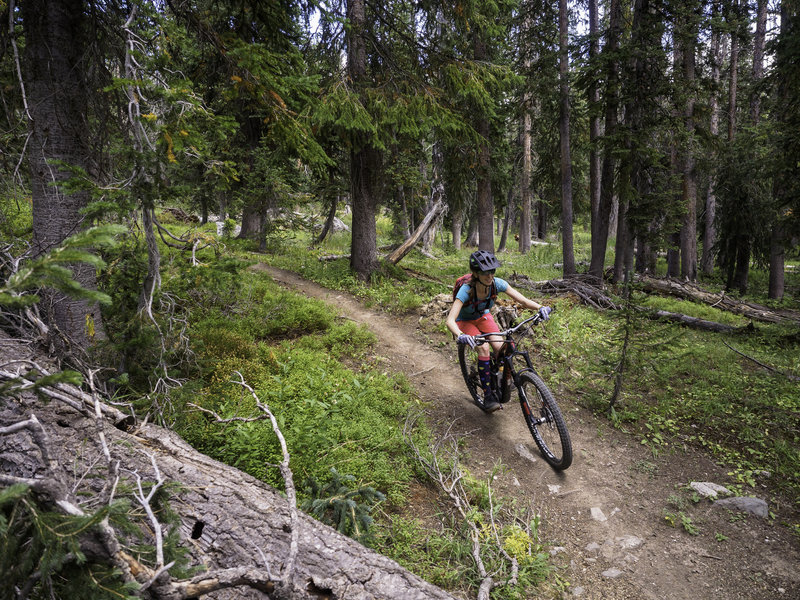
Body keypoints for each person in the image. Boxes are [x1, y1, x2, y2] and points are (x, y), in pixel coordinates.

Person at [445, 250, 552, 412]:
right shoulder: (466, 290)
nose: (489, 276)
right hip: (464, 320)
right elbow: (450, 320)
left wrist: (540, 308)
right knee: (483, 347)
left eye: (492, 271)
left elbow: (522, 300)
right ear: (475, 273)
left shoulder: (497, 283)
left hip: (483, 316)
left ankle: (497, 374)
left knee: (502, 347)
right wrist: (461, 335)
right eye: (484, 273)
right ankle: (488, 395)